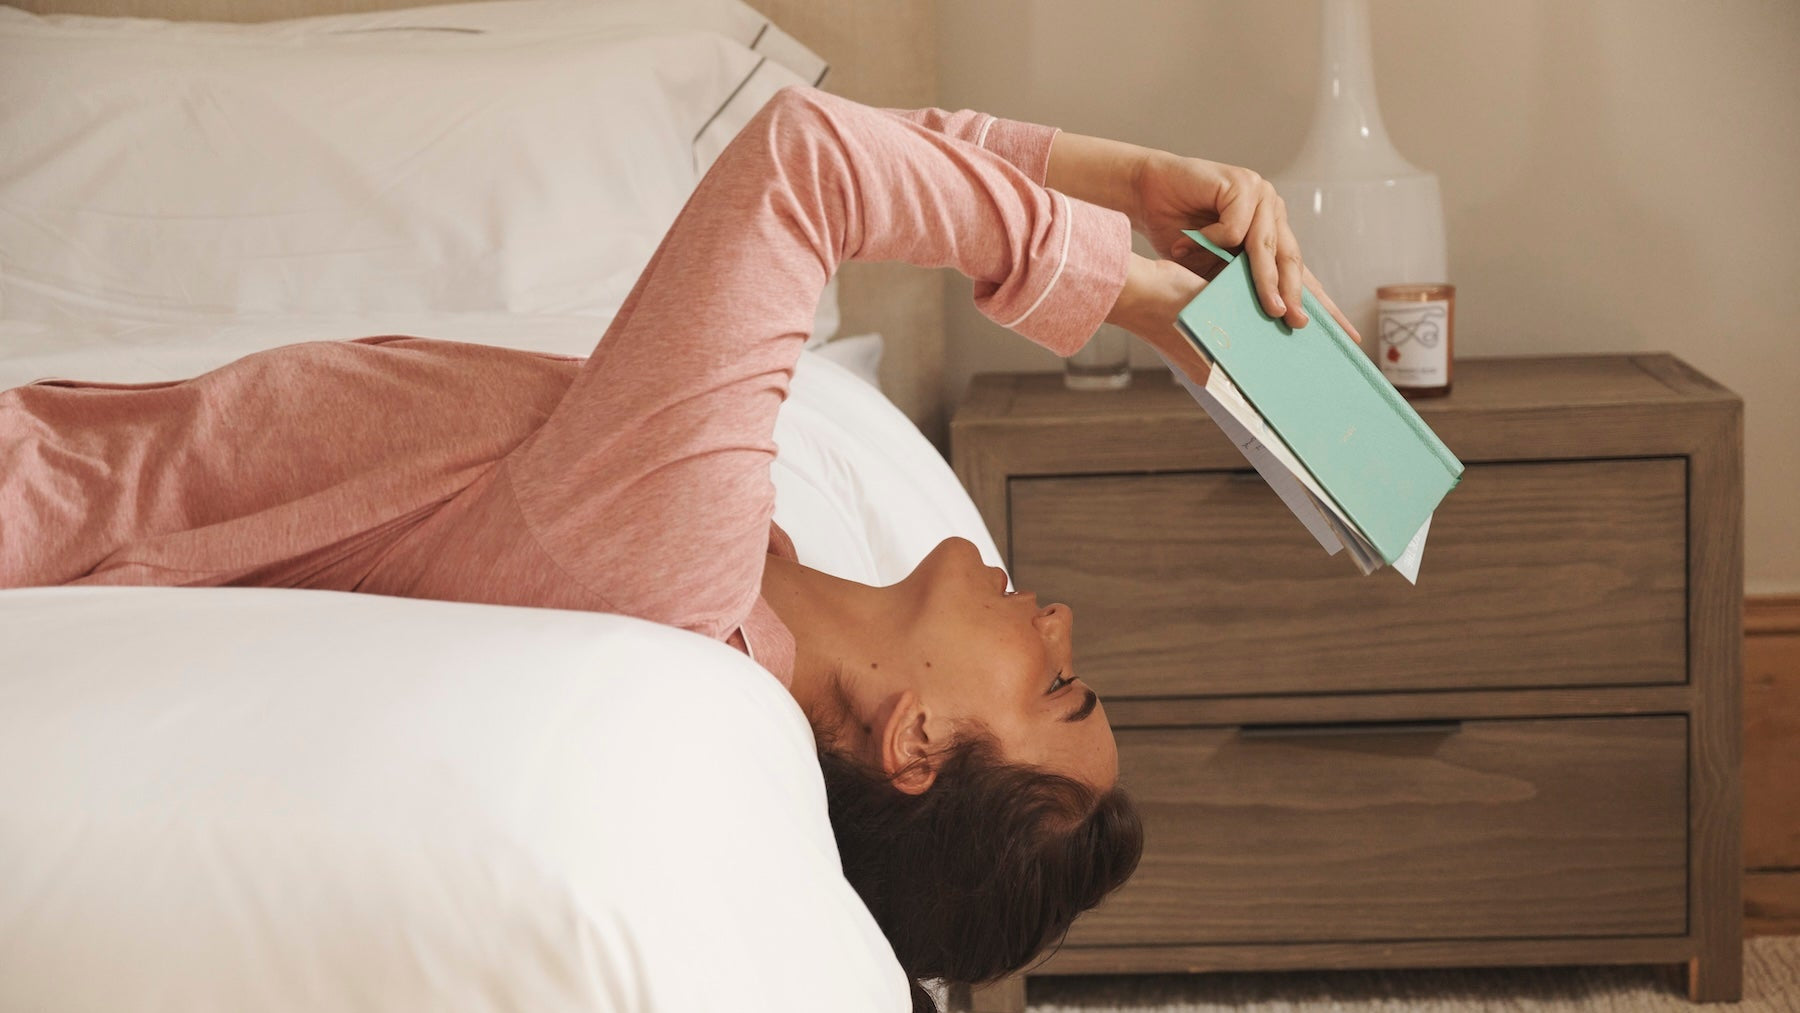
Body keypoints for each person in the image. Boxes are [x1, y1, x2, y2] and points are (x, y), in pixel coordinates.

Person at [0, 86, 1354, 1009]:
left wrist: (1125, 294)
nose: (1059, 621)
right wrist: (1117, 187)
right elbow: (852, 168)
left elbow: (807, 163)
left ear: (918, 741)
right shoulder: (735, 564)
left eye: (1058, 683)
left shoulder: (671, 558)